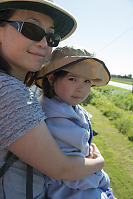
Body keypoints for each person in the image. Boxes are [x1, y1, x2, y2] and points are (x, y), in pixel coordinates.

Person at [0, 1, 105, 199]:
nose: (44, 43)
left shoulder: (20, 88)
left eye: (51, 37)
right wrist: (99, 162)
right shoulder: (8, 90)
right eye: (31, 29)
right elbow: (62, 169)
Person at [36, 46, 116, 199]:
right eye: (72, 79)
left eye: (87, 81)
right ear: (52, 78)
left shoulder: (65, 108)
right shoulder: (56, 120)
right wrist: (101, 175)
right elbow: (71, 173)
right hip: (73, 192)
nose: (81, 88)